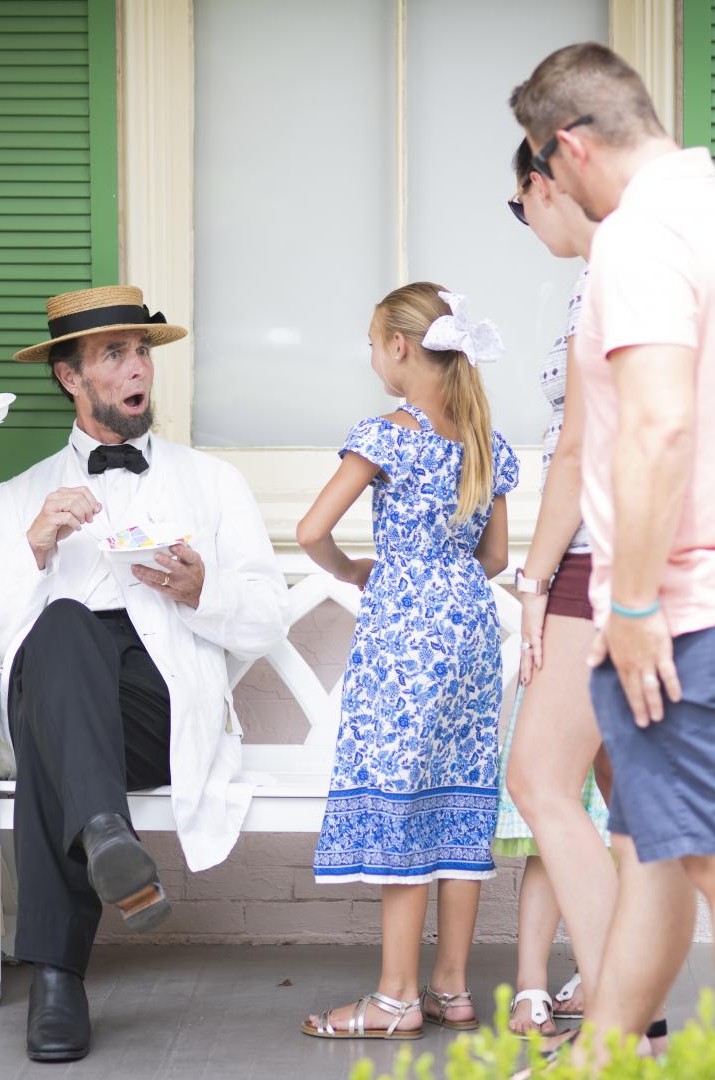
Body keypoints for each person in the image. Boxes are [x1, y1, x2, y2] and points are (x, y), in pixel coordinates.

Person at [509, 44, 715, 1066]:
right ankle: (605, 1052)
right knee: (658, 852)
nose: (558, 196)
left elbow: (653, 426)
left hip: (683, 609)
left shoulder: (641, 238)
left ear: (571, 146)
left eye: (548, 174)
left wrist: (642, 604)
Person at [0, 285, 287, 1063]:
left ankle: (57, 978)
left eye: (142, 350)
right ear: (71, 378)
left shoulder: (212, 484)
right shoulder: (16, 501)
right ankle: (106, 833)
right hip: (60, 688)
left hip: (159, 703)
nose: (137, 366)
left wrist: (200, 589)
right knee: (65, 630)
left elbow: (266, 616)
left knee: (59, 738)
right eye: (114, 354)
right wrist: (34, 553)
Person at [297, 283, 519, 1040]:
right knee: (458, 797)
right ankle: (451, 990)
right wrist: (445, 576)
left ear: (398, 346)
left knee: (401, 800)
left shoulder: (387, 434)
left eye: (371, 342)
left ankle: (394, 998)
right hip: (471, 631)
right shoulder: (484, 438)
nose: (371, 356)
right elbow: (494, 557)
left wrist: (354, 570)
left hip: (404, 634)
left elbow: (310, 529)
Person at [495, 136, 616, 1042]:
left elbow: (577, 450)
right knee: (640, 807)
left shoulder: (605, 277)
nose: (526, 221)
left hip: (599, 550)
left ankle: (619, 1028)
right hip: (654, 552)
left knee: (539, 779)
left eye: (519, 203)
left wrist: (535, 581)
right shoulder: (657, 263)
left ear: (545, 183)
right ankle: (633, 1030)